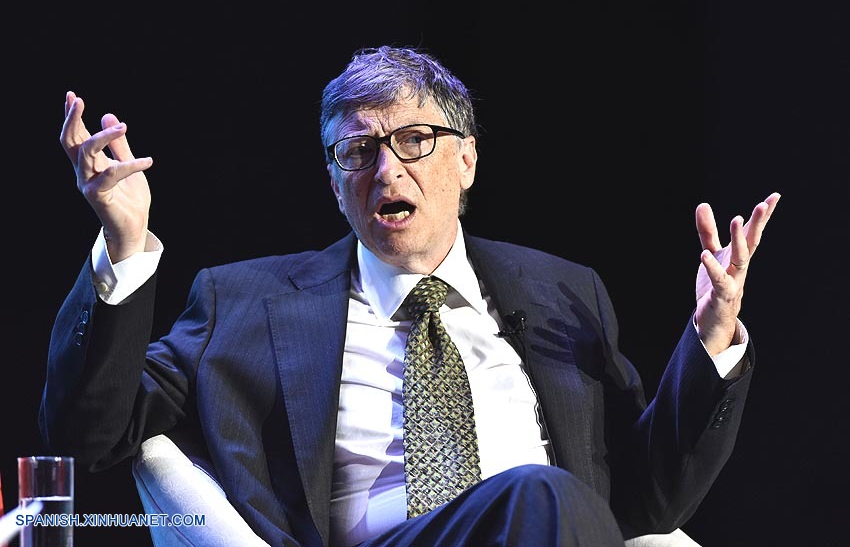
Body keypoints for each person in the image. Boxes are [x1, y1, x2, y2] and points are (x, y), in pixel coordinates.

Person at [40, 45, 781, 547]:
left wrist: (713, 335)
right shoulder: (243, 301)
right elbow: (88, 439)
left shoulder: (565, 292)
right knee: (541, 495)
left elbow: (648, 500)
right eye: (358, 151)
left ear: (467, 160)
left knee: (548, 503)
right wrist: (123, 244)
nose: (386, 170)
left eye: (414, 140)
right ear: (335, 184)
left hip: (546, 531)